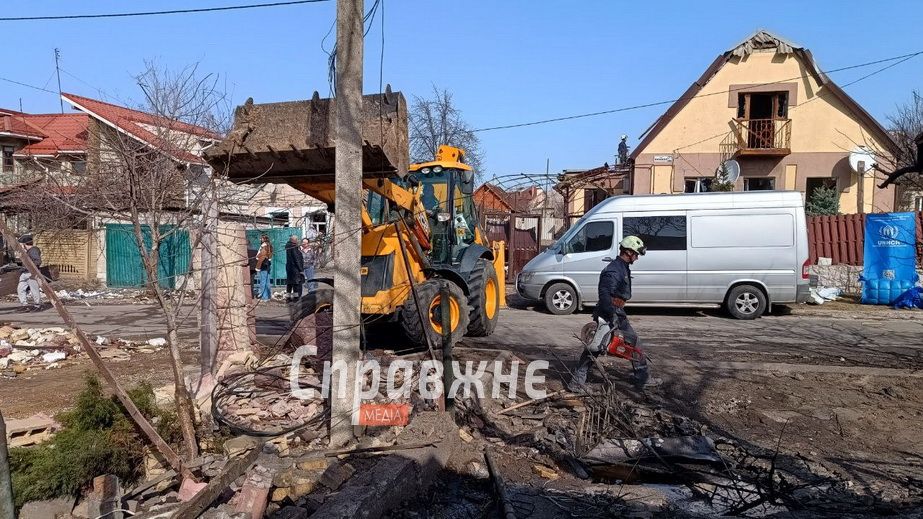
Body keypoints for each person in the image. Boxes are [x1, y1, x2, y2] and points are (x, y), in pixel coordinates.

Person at [567, 235, 649, 392]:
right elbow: (605, 295)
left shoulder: (622, 267)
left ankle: (642, 379)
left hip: (617, 312)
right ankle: (576, 383)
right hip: (609, 313)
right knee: (595, 347)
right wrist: (612, 317)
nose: (637, 258)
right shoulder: (613, 270)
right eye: (636, 254)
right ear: (628, 252)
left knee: (634, 342)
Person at [16, 234, 45, 312]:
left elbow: (38, 261)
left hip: (31, 273)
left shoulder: (33, 250)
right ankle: (25, 305)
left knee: (34, 289)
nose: (21, 246)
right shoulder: (27, 251)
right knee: (20, 288)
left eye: (21, 244)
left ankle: (38, 305)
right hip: (25, 273)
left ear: (25, 244)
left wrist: (27, 267)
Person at [285, 234, 304, 303]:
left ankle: (288, 297)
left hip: (289, 268)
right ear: (294, 240)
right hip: (295, 269)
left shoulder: (288, 246)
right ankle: (296, 299)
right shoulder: (293, 247)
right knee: (296, 284)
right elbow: (296, 259)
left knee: (289, 284)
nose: (298, 241)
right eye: (297, 239)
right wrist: (300, 269)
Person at [255, 234, 273, 301]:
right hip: (268, 264)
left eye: (261, 239)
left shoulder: (263, 246)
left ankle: (264, 297)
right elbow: (270, 256)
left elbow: (261, 257)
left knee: (263, 281)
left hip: (263, 265)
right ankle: (268, 296)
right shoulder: (269, 246)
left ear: (264, 239)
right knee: (267, 281)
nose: (260, 240)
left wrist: (258, 266)